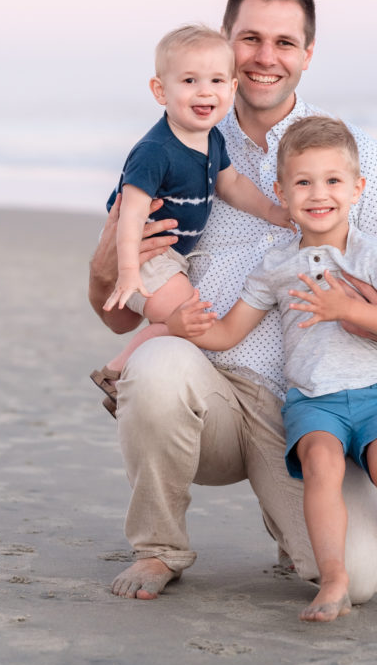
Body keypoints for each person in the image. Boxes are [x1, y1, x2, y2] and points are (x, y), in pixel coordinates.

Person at [88, 0, 377, 605]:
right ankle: (159, 548)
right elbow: (115, 313)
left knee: (357, 581)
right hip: (215, 393)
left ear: (307, 54)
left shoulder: (354, 160)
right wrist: (104, 266)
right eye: (249, 38)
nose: (264, 57)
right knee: (158, 364)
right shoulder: (175, 149)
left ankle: (293, 522)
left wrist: (353, 311)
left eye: (284, 41)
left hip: (319, 406)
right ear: (226, 43)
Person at [167, 115, 377, 621]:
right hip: (312, 399)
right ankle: (334, 579)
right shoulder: (277, 265)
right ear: (281, 190)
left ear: (357, 189)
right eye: (303, 182)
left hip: (376, 391)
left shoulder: (373, 256)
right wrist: (181, 323)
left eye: (333, 181)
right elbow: (230, 331)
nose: (319, 194)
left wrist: (349, 312)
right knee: (321, 464)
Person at [90, 23, 293, 411]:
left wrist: (273, 211)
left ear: (232, 89)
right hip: (146, 257)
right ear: (160, 91)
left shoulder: (211, 136)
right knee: (195, 324)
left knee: (178, 326)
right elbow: (131, 214)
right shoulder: (155, 151)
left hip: (172, 258)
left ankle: (121, 375)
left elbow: (230, 183)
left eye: (216, 80)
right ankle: (117, 374)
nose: (204, 91)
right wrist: (129, 271)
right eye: (189, 80)